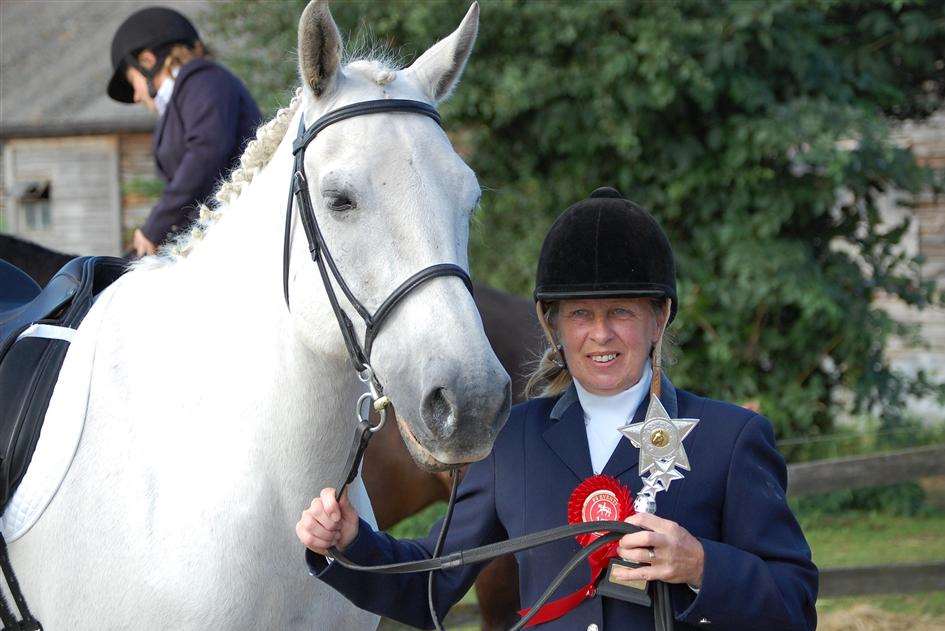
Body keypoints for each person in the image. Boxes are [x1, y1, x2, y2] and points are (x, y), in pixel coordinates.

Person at [296, 187, 818, 630]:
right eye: (581, 315)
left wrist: (702, 564)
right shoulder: (512, 442)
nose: (601, 334)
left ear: (659, 319)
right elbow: (431, 584)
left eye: (621, 312)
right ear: (552, 325)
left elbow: (795, 603)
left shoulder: (732, 439)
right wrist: (351, 544)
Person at [107, 6, 262, 256]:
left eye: (132, 81)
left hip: (242, 232)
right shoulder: (183, 99)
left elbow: (205, 154)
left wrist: (154, 228)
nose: (136, 96)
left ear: (147, 60)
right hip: (212, 232)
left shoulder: (205, 81)